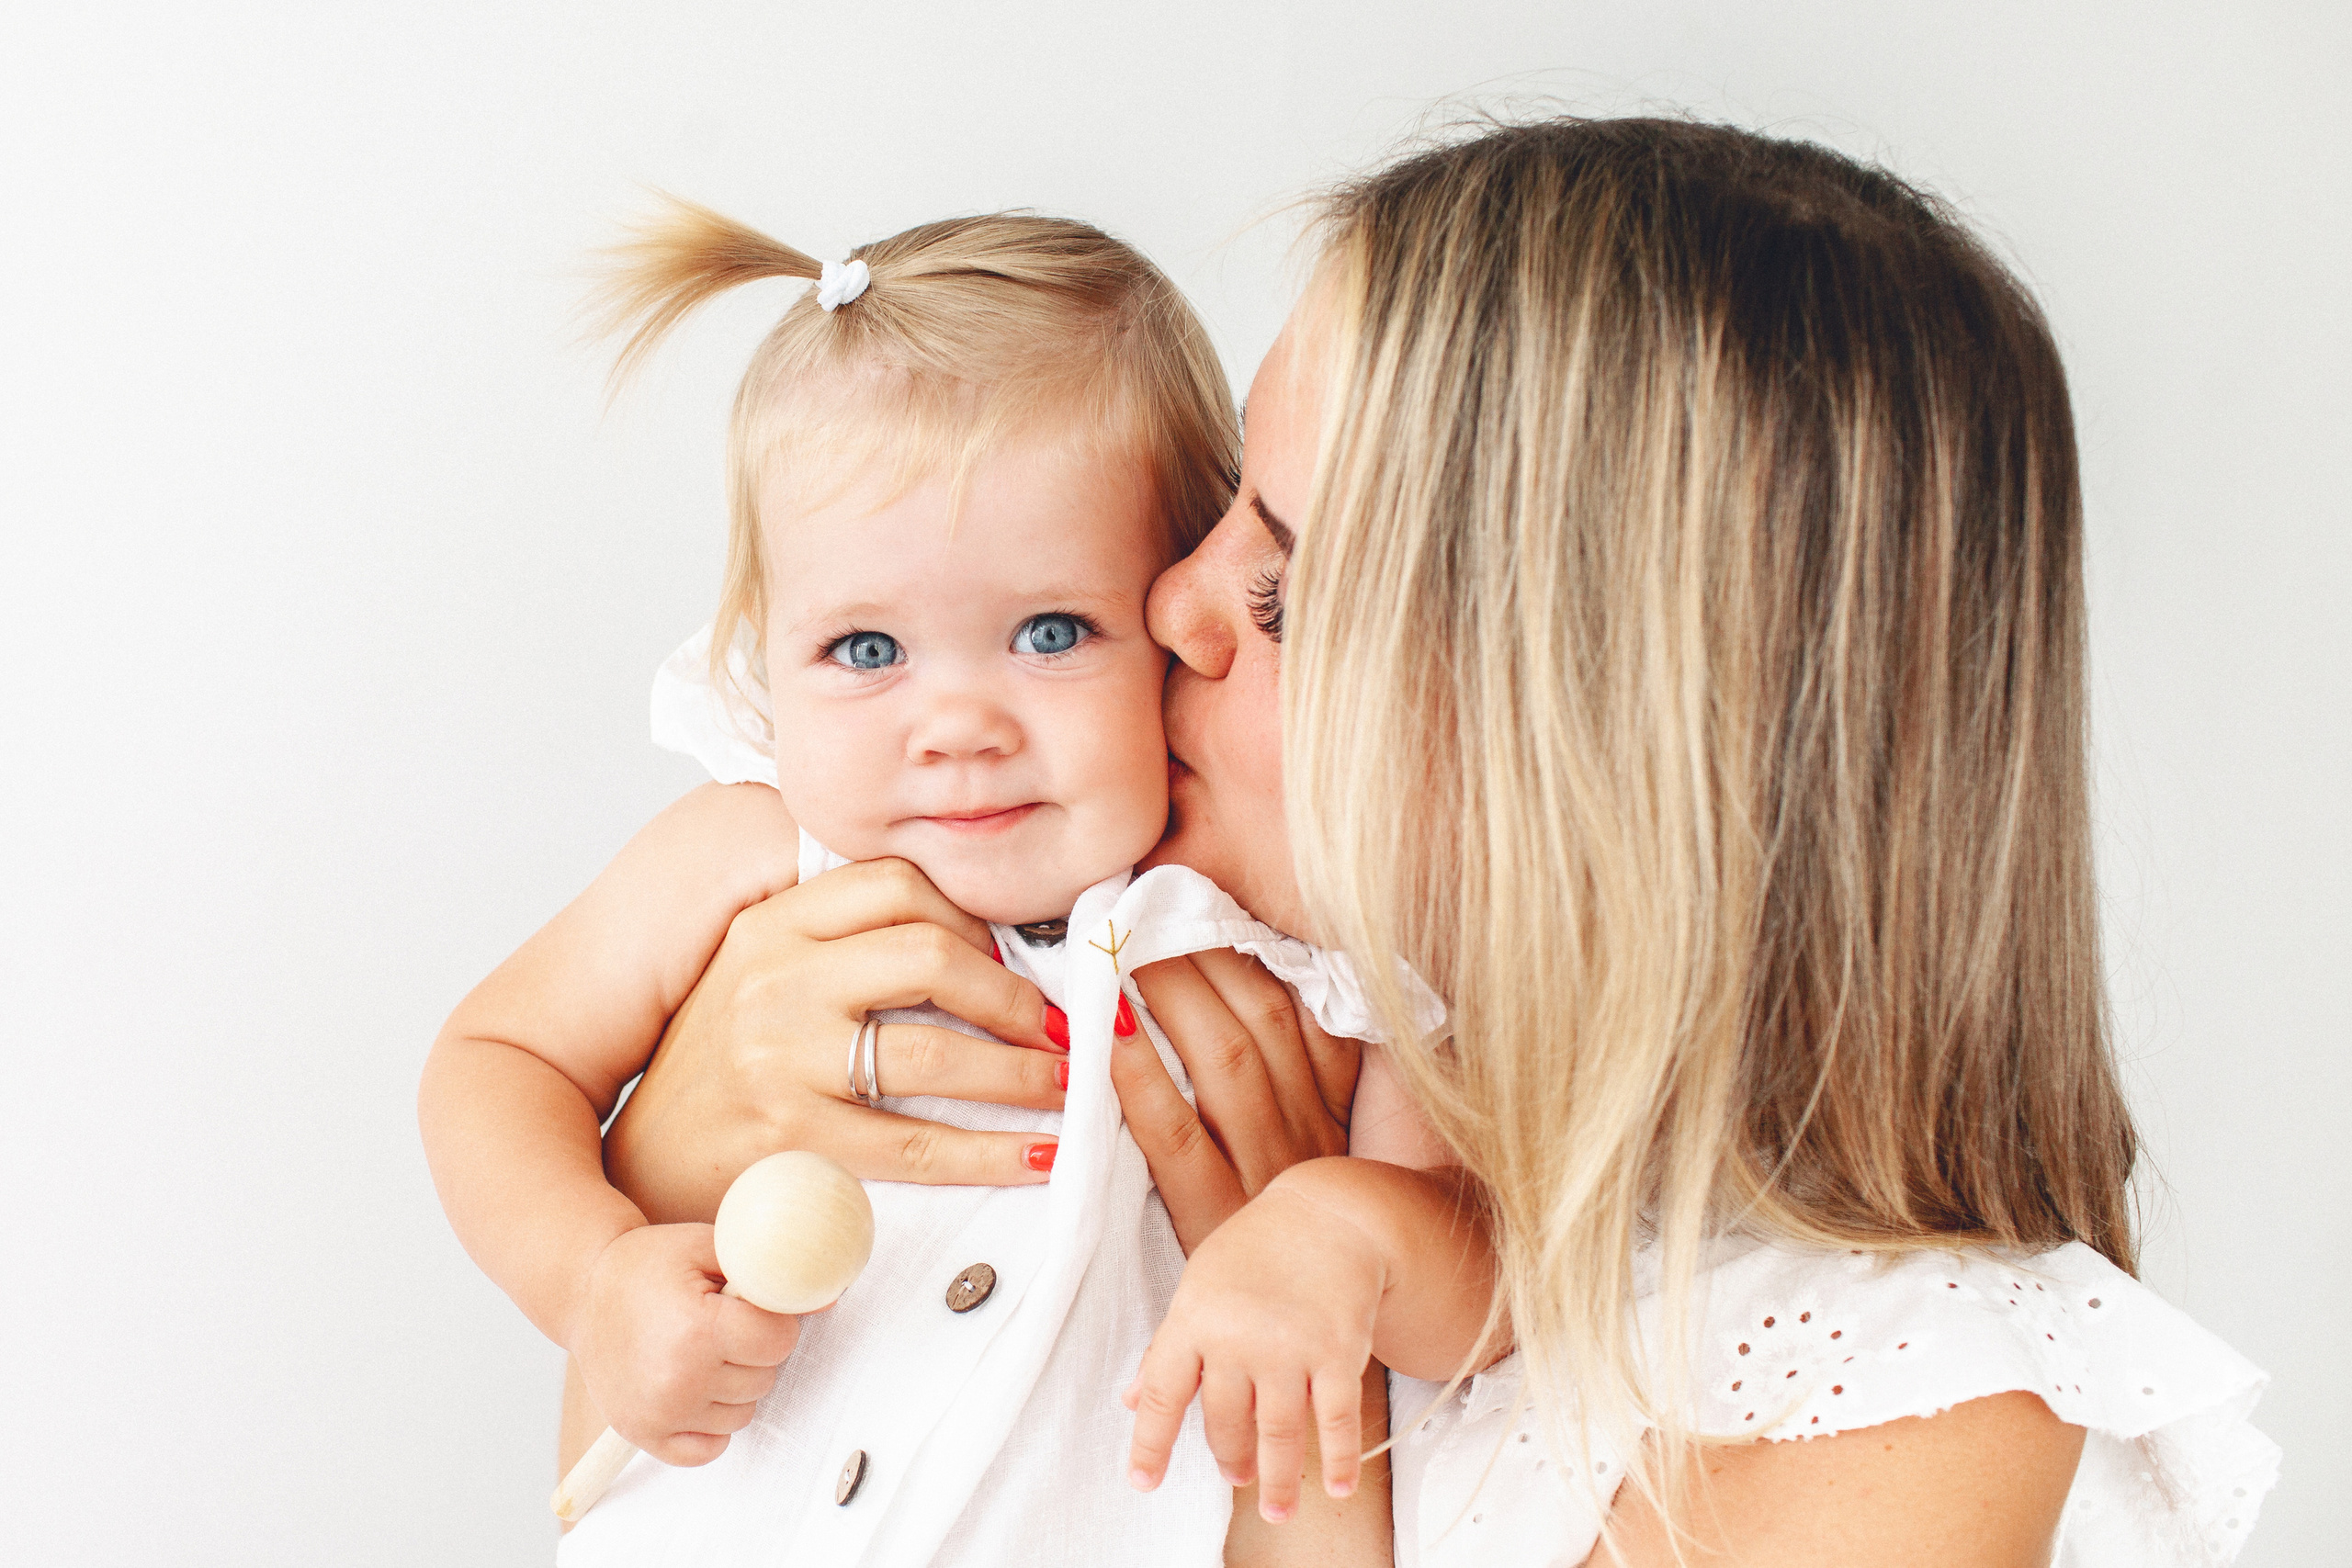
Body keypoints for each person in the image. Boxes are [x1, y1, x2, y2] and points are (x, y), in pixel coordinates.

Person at [609, 118, 2282, 1566]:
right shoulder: (1110, 990)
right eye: (1216, 508)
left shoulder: (1909, 1406)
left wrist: (1321, 1347)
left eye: (1280, 584)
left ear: (1594, 742)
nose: (1166, 606)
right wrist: (666, 1156)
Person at [417, 200, 1396, 1565]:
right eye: (866, 651)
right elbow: (492, 1056)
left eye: (1049, 632)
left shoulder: (1270, 940)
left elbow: (1468, 1260)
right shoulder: (754, 855)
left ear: (1170, 615)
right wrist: (589, 1277)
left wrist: (1349, 1236)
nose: (957, 726)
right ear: (765, 651)